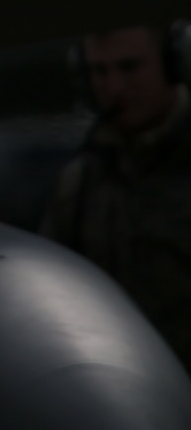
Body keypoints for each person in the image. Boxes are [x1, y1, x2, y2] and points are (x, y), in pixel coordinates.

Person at [43, 23, 191, 365]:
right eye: (99, 71)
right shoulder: (79, 184)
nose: (113, 87)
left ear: (173, 63)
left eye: (130, 67)